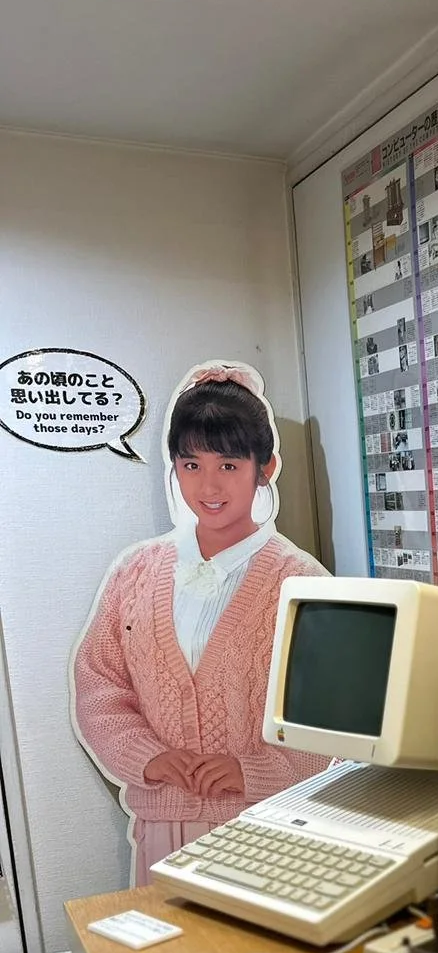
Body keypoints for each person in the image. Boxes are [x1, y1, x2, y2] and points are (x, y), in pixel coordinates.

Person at [72, 366, 331, 885]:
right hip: (162, 829)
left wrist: (253, 769)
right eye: (191, 464)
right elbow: (100, 685)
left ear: (266, 467)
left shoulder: (301, 581)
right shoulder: (136, 571)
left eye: (229, 465)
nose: (209, 486)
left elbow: (326, 708)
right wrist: (148, 757)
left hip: (266, 827)